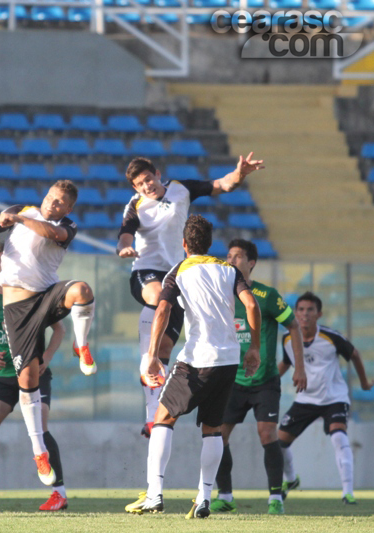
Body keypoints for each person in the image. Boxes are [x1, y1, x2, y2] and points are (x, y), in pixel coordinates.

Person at [116, 155, 264, 438]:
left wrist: (240, 173)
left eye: (148, 179)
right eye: (139, 184)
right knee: (158, 302)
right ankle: (148, 387)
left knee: (165, 353)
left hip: (178, 277)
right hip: (146, 273)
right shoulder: (135, 206)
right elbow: (125, 234)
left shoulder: (181, 189)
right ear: (134, 188)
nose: (146, 186)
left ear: (158, 174)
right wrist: (124, 248)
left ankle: (153, 369)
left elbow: (223, 185)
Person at [0, 180, 96, 487]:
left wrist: (20, 219)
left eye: (61, 202)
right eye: (51, 198)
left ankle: (82, 345)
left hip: (46, 296)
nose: (54, 204)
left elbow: (52, 234)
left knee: (83, 290)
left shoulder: (66, 225)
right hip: (18, 310)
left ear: (69, 208)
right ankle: (39, 452)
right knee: (27, 382)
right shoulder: (23, 210)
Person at [125, 215, 261, 519]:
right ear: (210, 243)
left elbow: (162, 309)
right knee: (212, 428)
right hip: (229, 360)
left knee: (163, 417)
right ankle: (204, 498)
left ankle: (154, 494)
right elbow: (251, 305)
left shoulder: (180, 270)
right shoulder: (229, 270)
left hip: (198, 359)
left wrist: (151, 354)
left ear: (184, 244)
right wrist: (254, 347)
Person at [209, 239, 306, 515]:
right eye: (228, 256)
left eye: (237, 256)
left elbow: (294, 326)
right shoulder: (221, 295)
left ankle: (276, 497)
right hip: (231, 380)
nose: (231, 260)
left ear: (251, 263)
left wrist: (299, 367)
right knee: (217, 436)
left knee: (266, 434)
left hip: (264, 380)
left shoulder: (267, 296)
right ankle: (225, 495)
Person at [0, 243, 69, 511]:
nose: (9, 262)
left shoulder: (33, 295)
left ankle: (59, 492)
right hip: (4, 375)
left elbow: (59, 330)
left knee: (41, 425)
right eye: (3, 259)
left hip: (34, 373)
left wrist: (46, 358)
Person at [277, 291, 374, 505]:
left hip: (334, 398)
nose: (305, 314)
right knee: (278, 444)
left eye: (310, 310)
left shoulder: (331, 337)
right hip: (305, 400)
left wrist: (364, 383)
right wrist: (270, 381)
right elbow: (285, 362)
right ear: (295, 313)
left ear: (319, 314)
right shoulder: (287, 339)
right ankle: (291, 480)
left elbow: (355, 355)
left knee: (339, 437)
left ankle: (347, 492)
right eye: (301, 310)